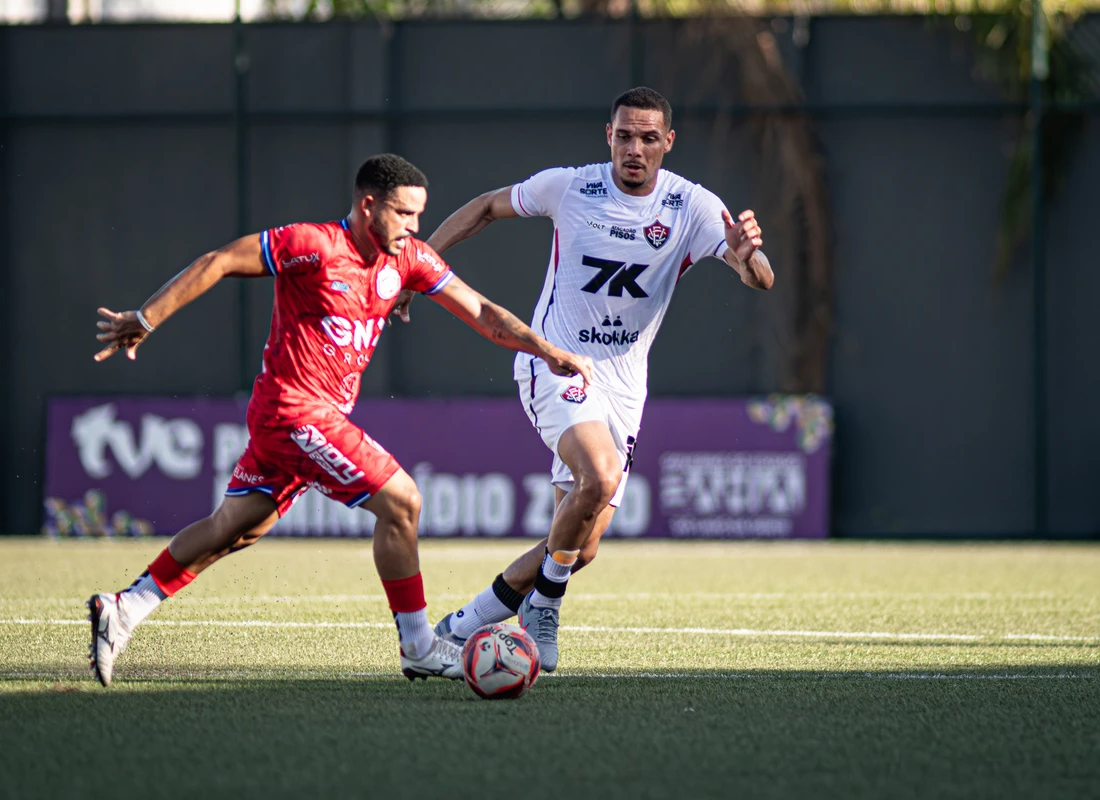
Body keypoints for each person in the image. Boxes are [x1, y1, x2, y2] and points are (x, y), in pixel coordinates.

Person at [87, 154, 593, 687]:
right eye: (403, 214)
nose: (414, 226)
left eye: (419, 215)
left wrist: (546, 350)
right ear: (367, 205)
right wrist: (145, 318)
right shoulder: (314, 245)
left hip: (303, 419)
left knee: (235, 527)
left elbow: (483, 313)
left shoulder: (409, 259)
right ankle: (420, 645)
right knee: (402, 501)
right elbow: (219, 261)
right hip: (293, 411)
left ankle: (124, 607)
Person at [404, 87, 774, 672]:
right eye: (624, 136)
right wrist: (416, 264)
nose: (634, 149)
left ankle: (462, 625)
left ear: (668, 142)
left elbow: (760, 279)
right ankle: (544, 606)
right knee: (598, 476)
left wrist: (747, 255)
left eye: (647, 138)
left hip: (624, 386)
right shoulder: (571, 187)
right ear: (609, 136)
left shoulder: (693, 206)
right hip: (555, 361)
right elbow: (485, 207)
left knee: (582, 545)